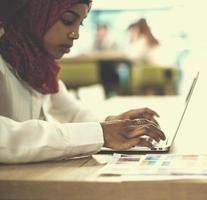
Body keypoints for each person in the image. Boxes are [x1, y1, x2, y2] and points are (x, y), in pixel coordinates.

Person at [0, 0, 165, 164]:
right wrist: (100, 132)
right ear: (33, 14)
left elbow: (72, 114)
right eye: (68, 20)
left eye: (80, 24)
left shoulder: (39, 66)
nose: (76, 34)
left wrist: (112, 123)